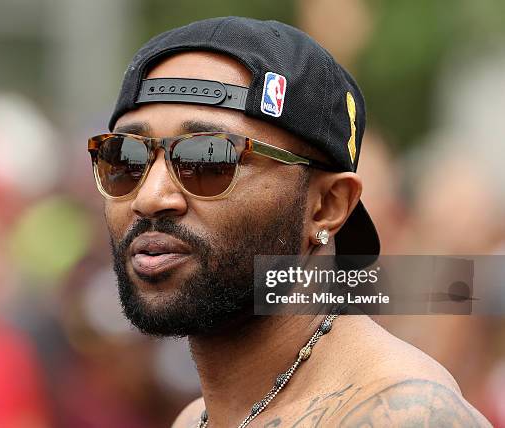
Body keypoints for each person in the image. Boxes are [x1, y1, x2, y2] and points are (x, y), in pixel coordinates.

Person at [89, 17, 491, 427]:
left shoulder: (404, 414)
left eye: (208, 159)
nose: (150, 197)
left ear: (327, 206)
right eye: (125, 158)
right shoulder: (196, 419)